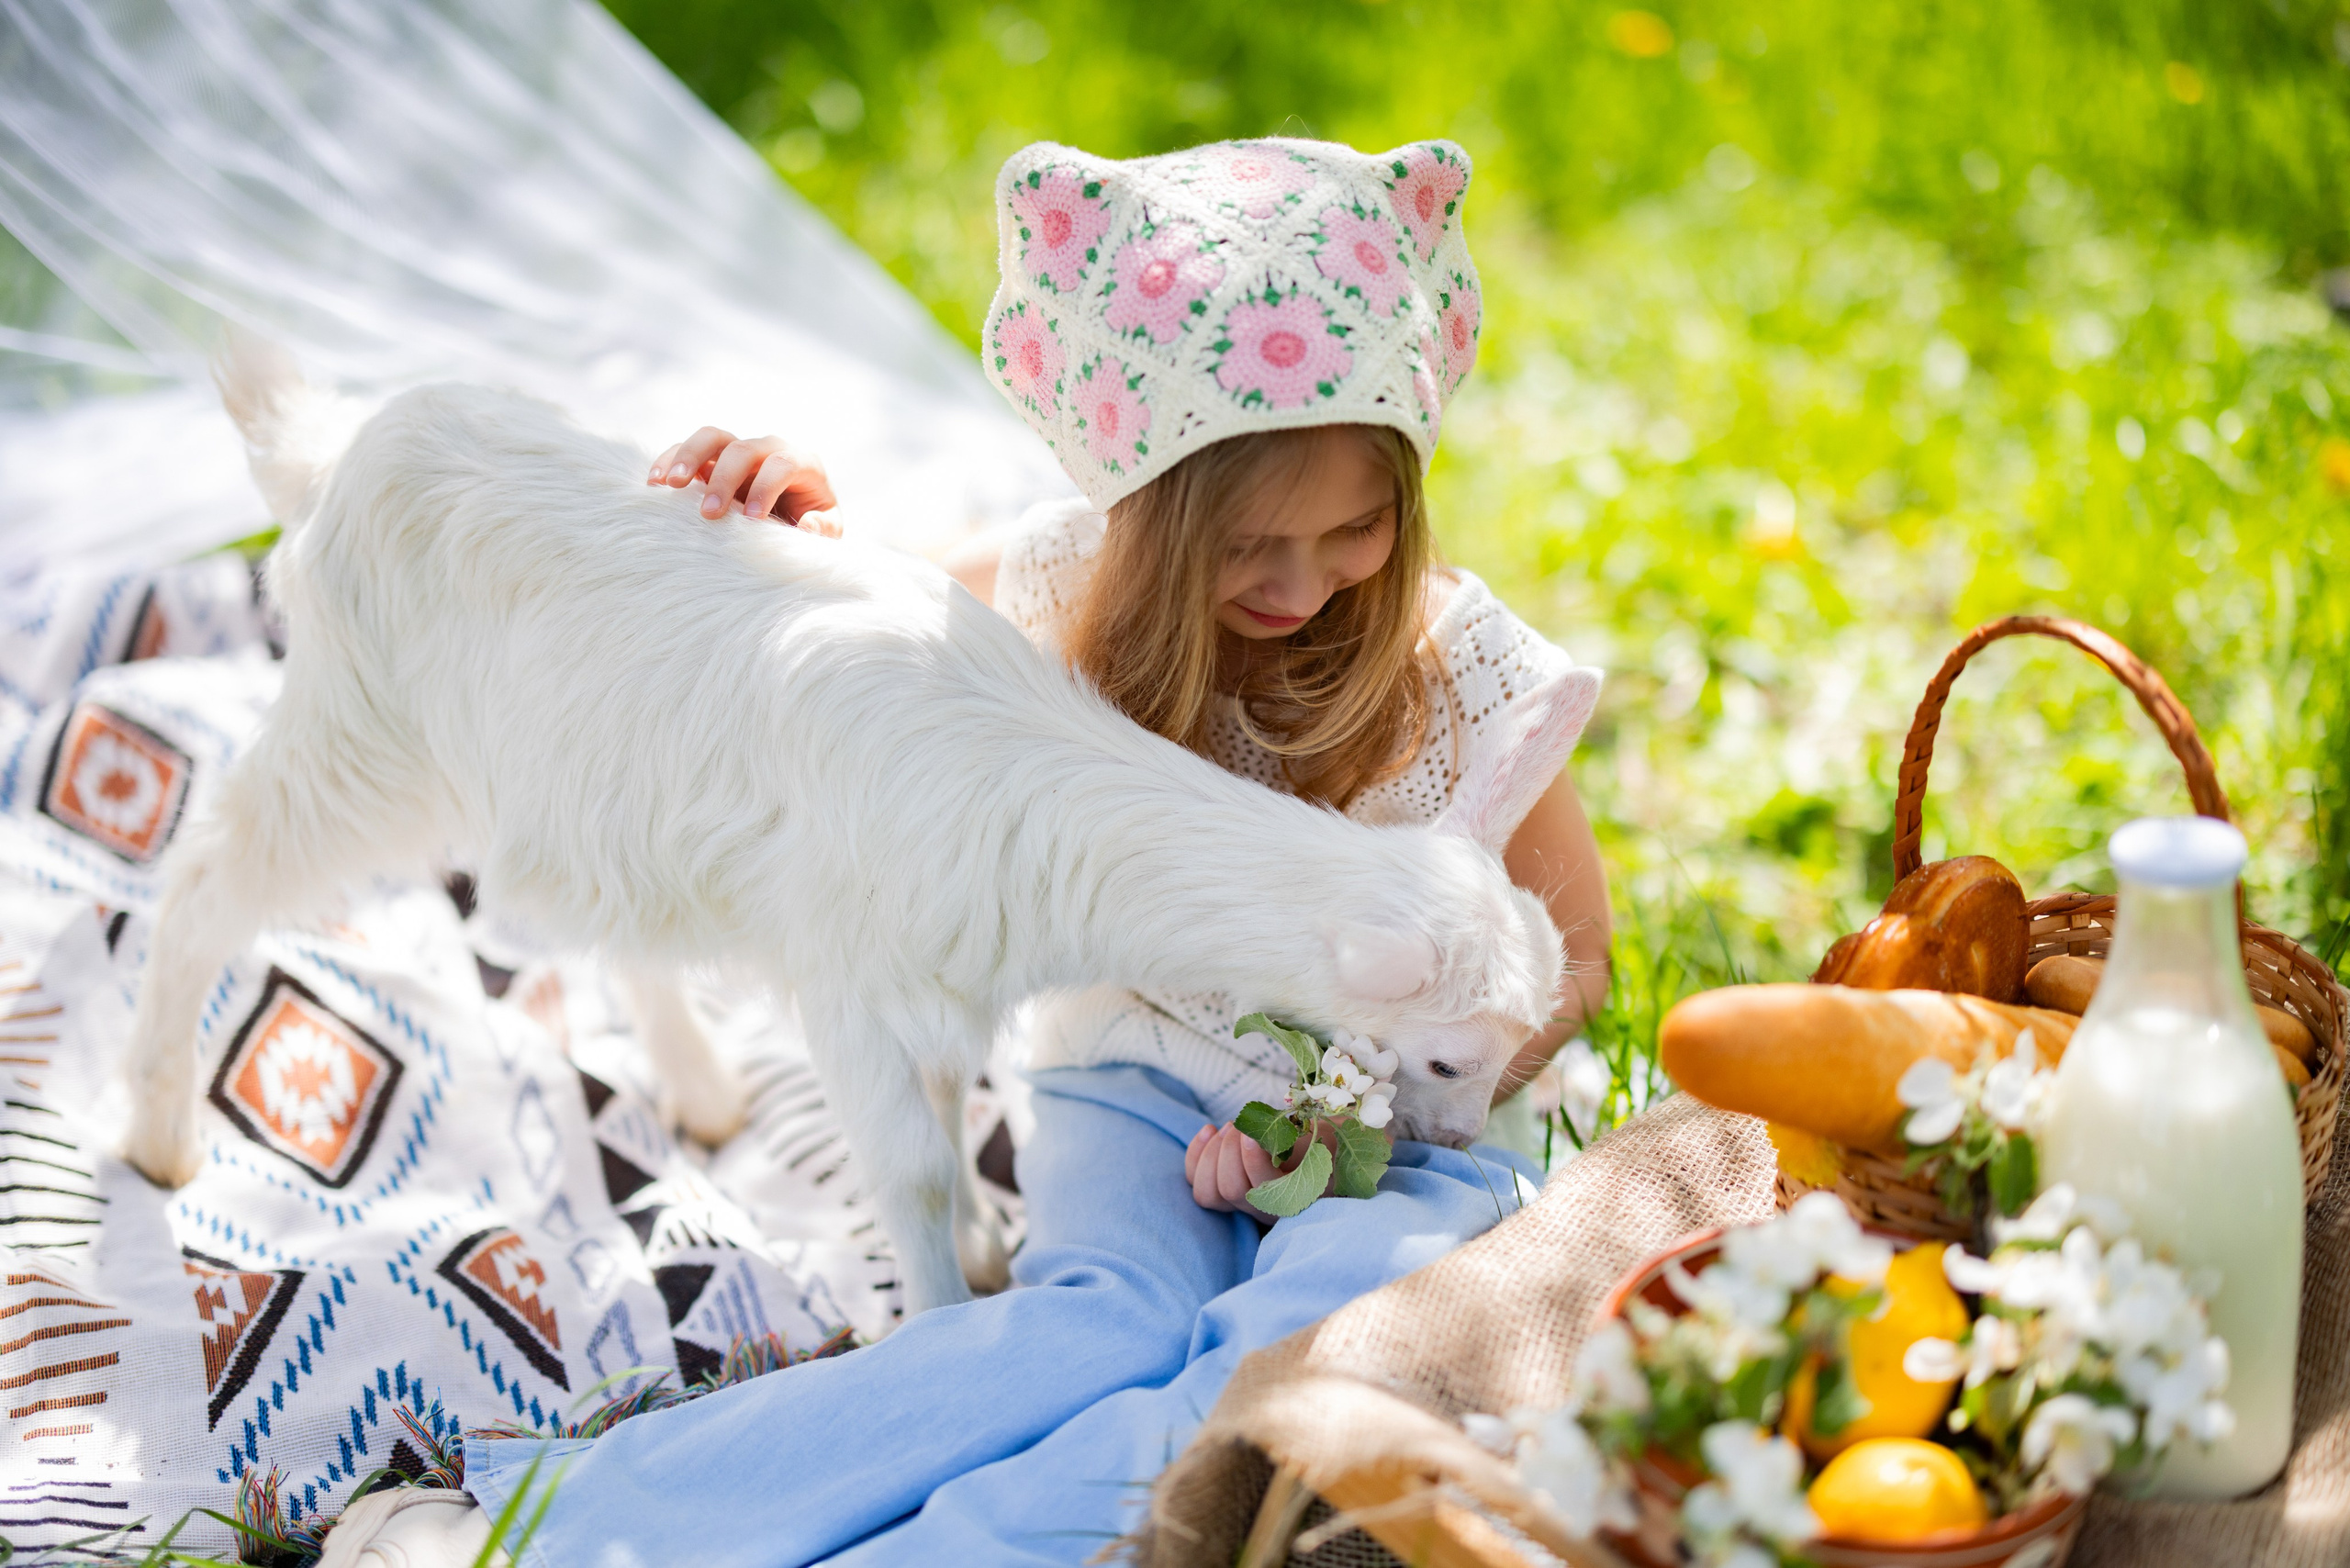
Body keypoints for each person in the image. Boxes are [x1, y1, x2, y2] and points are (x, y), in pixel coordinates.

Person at [329, 135, 1608, 1568]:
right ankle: (564, 1529)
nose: (1302, 584)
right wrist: (792, 521)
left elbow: (1580, 952)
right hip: (1131, 1084)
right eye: (1247, 547)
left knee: (1330, 1334)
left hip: (1393, 1143)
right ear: (1140, 506)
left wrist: (1355, 1109)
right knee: (1097, 1326)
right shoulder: (1064, 588)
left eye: (1356, 530)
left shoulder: (1467, 678)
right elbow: (871, 646)